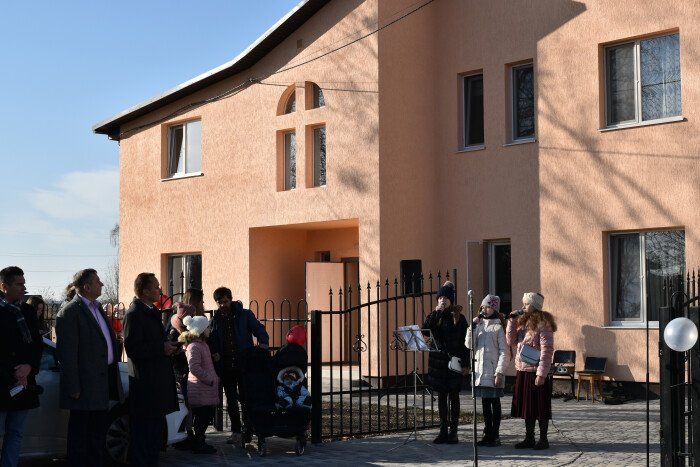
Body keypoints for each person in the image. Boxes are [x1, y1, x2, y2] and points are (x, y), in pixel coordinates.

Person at [55, 269, 124, 467]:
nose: (102, 284)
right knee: (80, 438)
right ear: (86, 287)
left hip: (101, 383)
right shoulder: (70, 312)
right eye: (98, 281)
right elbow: (67, 354)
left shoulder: (98, 308)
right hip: (83, 387)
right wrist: (74, 387)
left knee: (97, 437)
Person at [123, 273, 179, 466]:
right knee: (143, 435)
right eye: (155, 286)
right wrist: (161, 348)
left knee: (154, 434)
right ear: (145, 291)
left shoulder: (152, 312)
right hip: (146, 384)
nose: (160, 290)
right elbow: (133, 348)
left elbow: (155, 342)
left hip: (157, 383)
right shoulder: (134, 315)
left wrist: (170, 346)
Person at [208, 287, 269, 444]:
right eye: (219, 302)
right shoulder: (215, 320)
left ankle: (248, 429)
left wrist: (263, 343)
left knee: (247, 398)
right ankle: (236, 431)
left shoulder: (245, 315)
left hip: (244, 364)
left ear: (231, 299)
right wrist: (214, 352)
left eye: (225, 301)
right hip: (226, 366)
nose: (223, 305)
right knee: (231, 400)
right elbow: (212, 339)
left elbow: (258, 328)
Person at [0, 266, 42, 467]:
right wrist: (14, 372)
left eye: (24, 283)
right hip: (2, 383)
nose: (24, 288)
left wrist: (29, 367)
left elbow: (37, 345)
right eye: (19, 284)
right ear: (4, 286)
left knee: (16, 433)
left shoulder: (27, 311)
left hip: (23, 385)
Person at [506, 292, 556, 450]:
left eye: (526, 304)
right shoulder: (522, 321)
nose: (523, 306)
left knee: (539, 406)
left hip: (536, 370)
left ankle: (543, 439)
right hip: (523, 369)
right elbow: (511, 341)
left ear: (535, 306)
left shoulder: (543, 323)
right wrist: (511, 321)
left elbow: (547, 350)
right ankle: (529, 437)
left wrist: (541, 373)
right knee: (527, 406)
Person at [422, 281, 469, 444]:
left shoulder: (459, 318)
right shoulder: (435, 315)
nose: (442, 300)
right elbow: (425, 330)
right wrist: (436, 313)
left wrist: (466, 364)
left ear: (451, 300)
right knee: (441, 397)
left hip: (453, 362)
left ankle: (453, 431)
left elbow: (465, 343)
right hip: (438, 363)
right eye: (440, 298)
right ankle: (442, 430)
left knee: (454, 396)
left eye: (445, 298)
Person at [466, 294, 507, 447]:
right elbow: (469, 345)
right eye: (484, 306)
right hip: (480, 372)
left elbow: (504, 352)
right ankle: (487, 433)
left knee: (494, 403)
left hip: (493, 371)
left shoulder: (499, 327)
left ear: (494, 309)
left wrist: (499, 372)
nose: (485, 309)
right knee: (485, 404)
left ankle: (495, 435)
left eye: (489, 307)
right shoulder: (479, 325)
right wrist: (472, 327)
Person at [179, 315, 219, 454]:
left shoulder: (202, 344)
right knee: (202, 417)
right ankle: (199, 443)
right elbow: (194, 367)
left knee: (205, 416)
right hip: (201, 387)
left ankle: (200, 441)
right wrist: (210, 379)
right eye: (207, 327)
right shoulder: (194, 346)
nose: (209, 330)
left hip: (205, 388)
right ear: (200, 330)